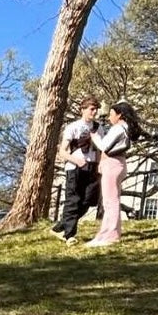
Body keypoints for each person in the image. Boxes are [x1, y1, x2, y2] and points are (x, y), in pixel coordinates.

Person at [87, 100, 142, 247]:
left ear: (119, 115)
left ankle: (110, 234)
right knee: (112, 200)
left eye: (112, 114)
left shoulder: (118, 129)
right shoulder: (125, 129)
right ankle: (106, 233)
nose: (110, 117)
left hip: (112, 165)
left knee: (110, 201)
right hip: (118, 164)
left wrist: (95, 137)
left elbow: (104, 146)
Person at [52, 96, 101, 242]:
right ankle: (69, 235)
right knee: (73, 199)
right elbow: (62, 151)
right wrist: (76, 161)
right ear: (83, 110)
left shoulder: (99, 128)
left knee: (88, 200)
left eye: (96, 109)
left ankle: (60, 226)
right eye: (92, 109)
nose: (94, 112)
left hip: (92, 167)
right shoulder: (73, 127)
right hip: (74, 166)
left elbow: (100, 149)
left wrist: (99, 166)